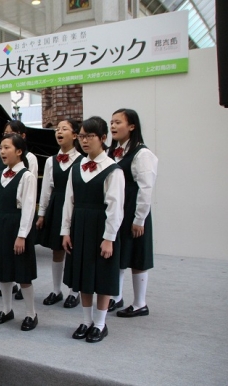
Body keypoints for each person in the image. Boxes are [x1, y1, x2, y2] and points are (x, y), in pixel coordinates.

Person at [61, 117, 125, 343]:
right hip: (79, 225)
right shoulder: (76, 167)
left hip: (101, 227)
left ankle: (100, 323)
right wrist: (65, 231)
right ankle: (86, 321)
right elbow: (69, 201)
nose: (84, 141)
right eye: (82, 136)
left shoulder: (113, 170)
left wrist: (109, 238)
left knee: (102, 275)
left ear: (103, 138)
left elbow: (115, 207)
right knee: (83, 275)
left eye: (90, 136)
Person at [107, 108, 158, 318]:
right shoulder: (113, 152)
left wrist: (140, 219)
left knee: (137, 257)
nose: (113, 126)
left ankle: (140, 304)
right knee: (118, 254)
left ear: (132, 126)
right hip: (117, 211)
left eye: (118, 122)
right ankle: (116, 297)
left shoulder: (142, 153)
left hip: (133, 212)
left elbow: (146, 188)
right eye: (111, 122)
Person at [0, 134, 38, 331]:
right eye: (0, 148)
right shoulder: (0, 175)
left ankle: (31, 313)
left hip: (18, 226)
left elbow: (28, 207)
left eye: (6, 147)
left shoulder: (27, 176)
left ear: (19, 151)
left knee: (23, 274)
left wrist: (22, 235)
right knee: (3, 271)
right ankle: (7, 310)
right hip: (1, 224)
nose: (2, 151)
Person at [36, 119, 83, 308]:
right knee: (57, 249)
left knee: (74, 249)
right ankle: (56, 290)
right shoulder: (50, 161)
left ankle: (74, 291)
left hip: (75, 205)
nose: (59, 132)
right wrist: (41, 214)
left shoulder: (82, 160)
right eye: (57, 129)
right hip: (56, 204)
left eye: (64, 129)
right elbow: (46, 188)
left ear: (75, 135)